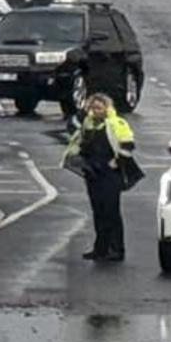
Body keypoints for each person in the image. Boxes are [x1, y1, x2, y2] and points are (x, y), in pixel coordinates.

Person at [63, 93, 135, 262]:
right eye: (93, 107)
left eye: (99, 108)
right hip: (92, 173)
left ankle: (116, 249)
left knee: (111, 212)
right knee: (98, 212)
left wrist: (117, 161)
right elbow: (72, 128)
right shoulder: (87, 124)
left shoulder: (116, 123)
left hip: (110, 175)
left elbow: (128, 145)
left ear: (107, 108)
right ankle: (100, 248)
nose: (96, 111)